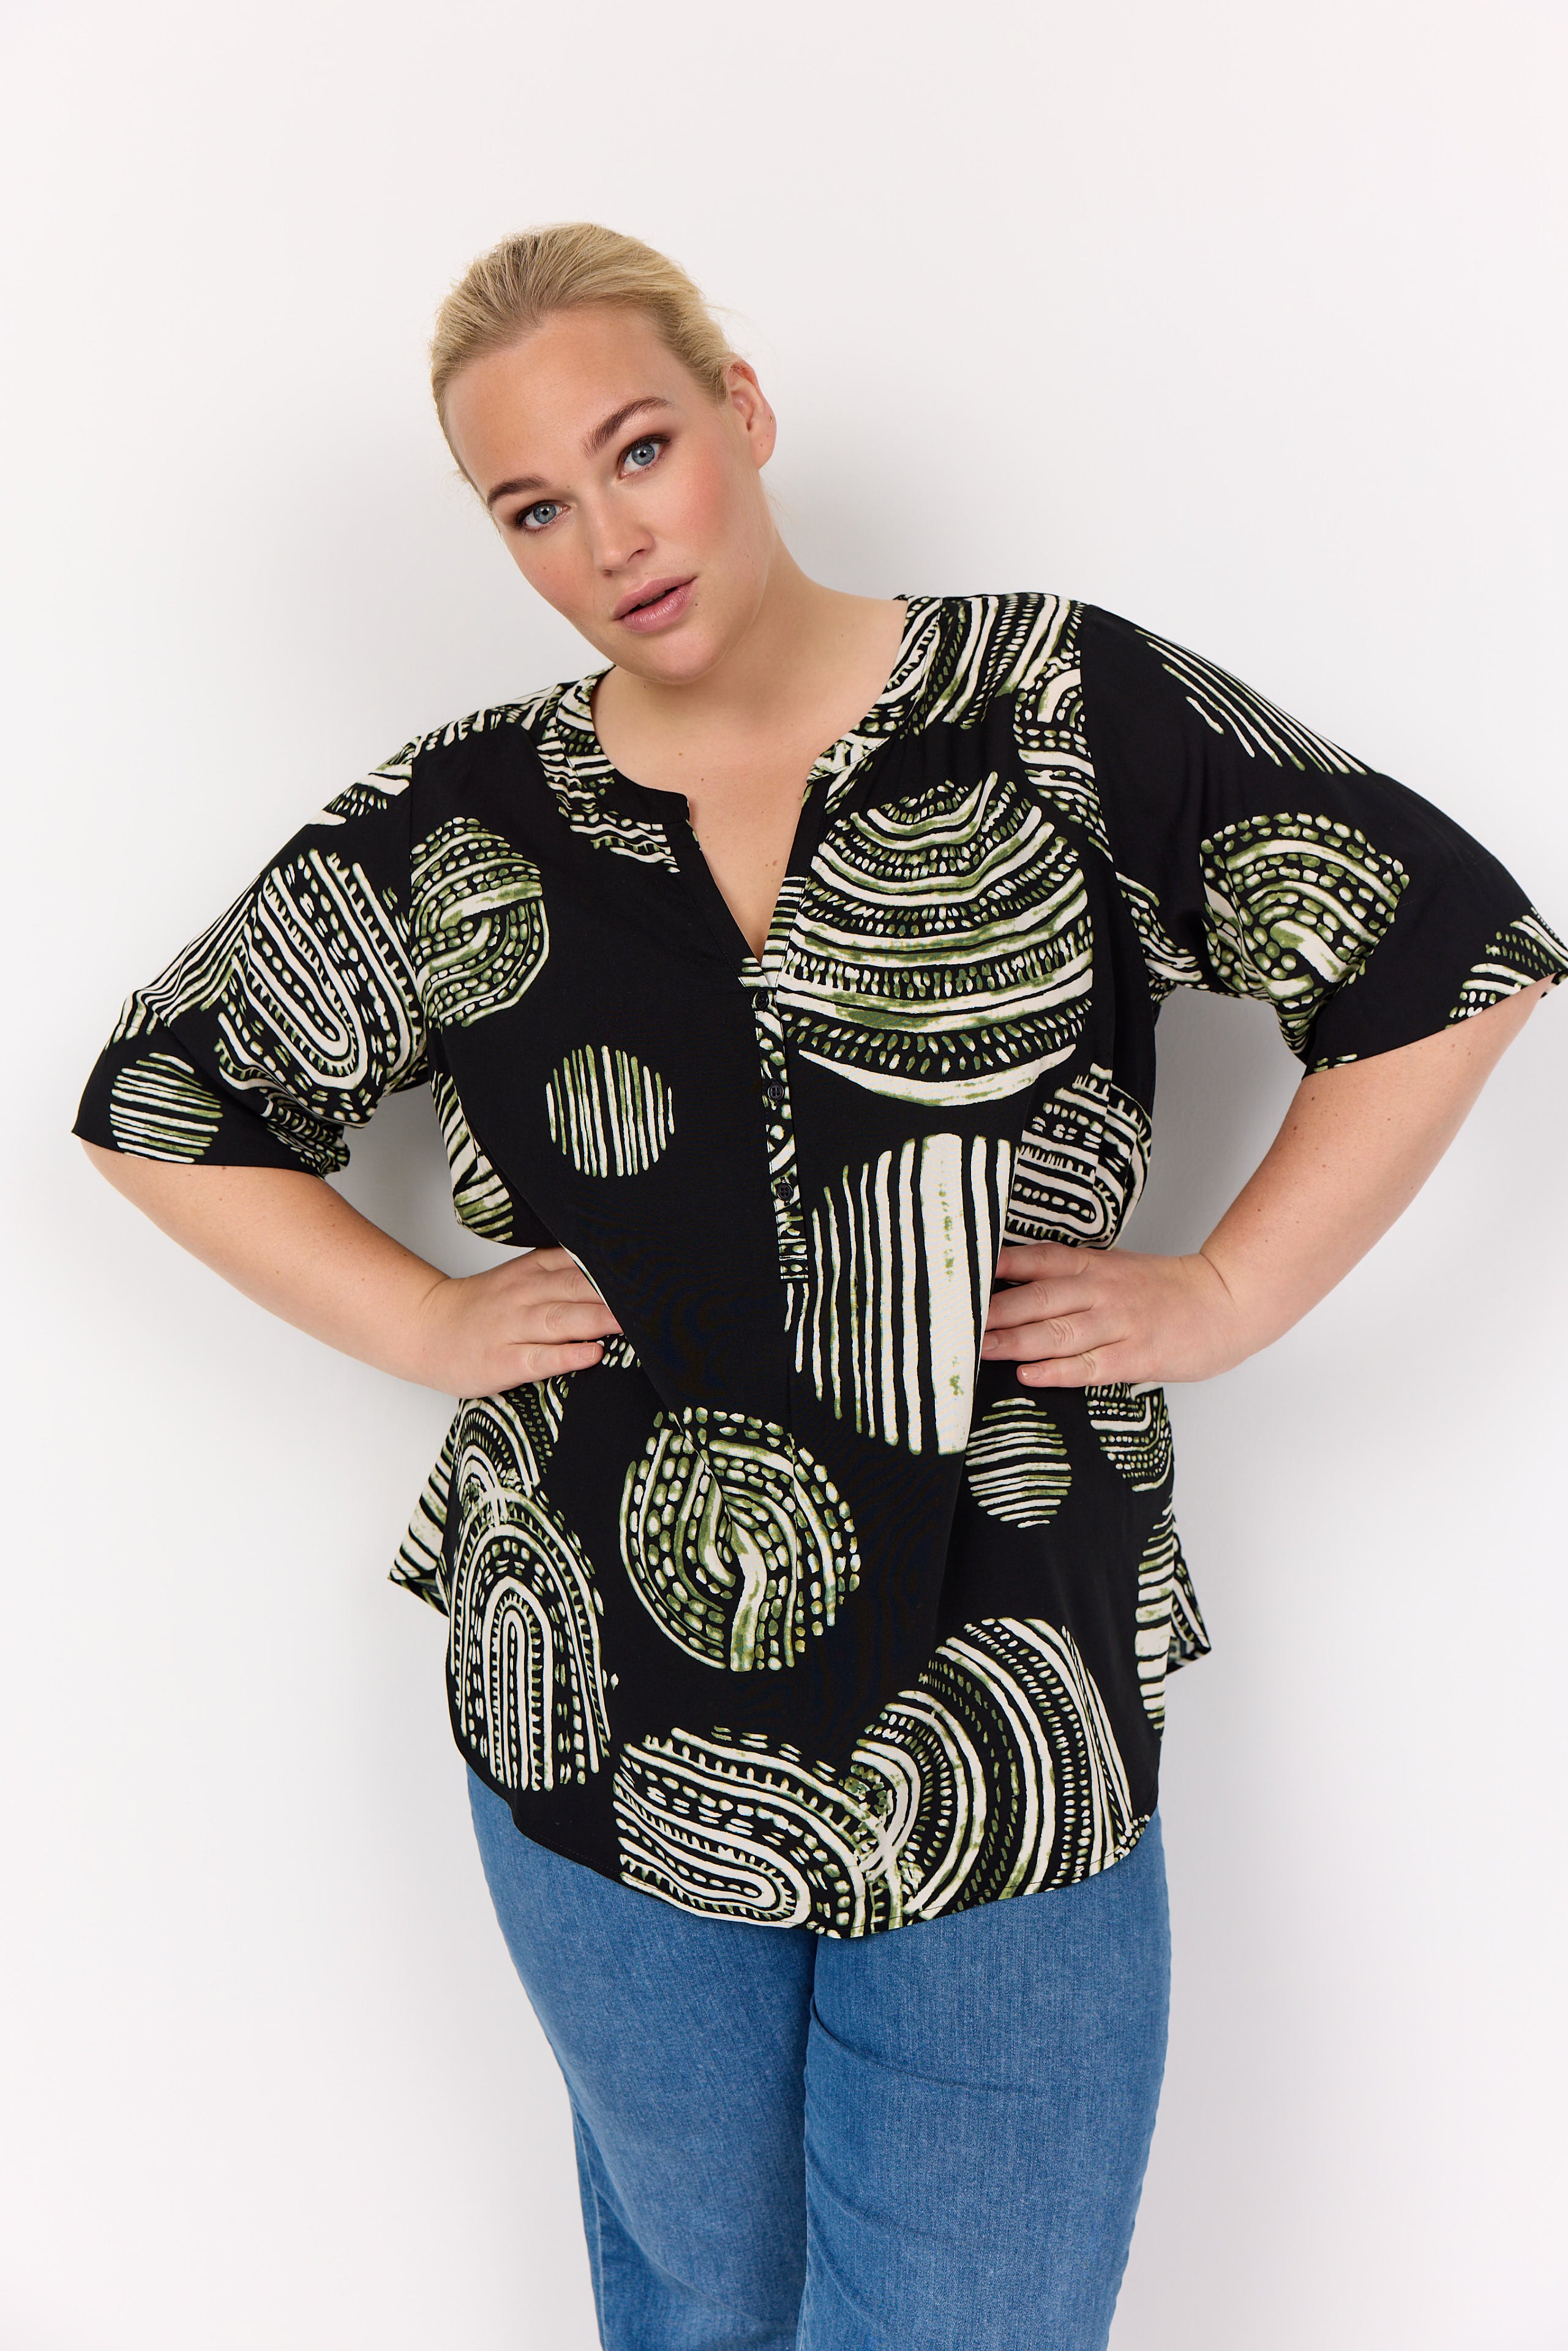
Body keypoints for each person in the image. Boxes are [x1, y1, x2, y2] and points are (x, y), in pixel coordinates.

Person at [73, 222, 1566, 2351]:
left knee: (973, 2318)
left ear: (743, 412)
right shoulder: (458, 821)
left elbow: (1442, 948)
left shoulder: (1056, 705)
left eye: (639, 449)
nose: (611, 537)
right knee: (708, 2305)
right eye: (532, 506)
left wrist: (1233, 1291)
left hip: (1004, 1663)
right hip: (595, 1680)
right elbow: (164, 1099)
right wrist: (420, 1321)